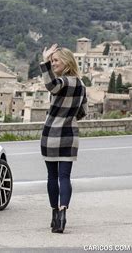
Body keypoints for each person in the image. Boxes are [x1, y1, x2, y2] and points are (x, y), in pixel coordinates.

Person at [40, 44, 88, 233]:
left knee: (52, 176)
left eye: (55, 60)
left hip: (51, 134)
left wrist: (44, 62)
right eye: (51, 61)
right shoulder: (81, 85)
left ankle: (54, 215)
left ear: (67, 62)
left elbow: (51, 87)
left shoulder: (62, 82)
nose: (53, 64)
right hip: (70, 135)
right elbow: (83, 112)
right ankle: (63, 212)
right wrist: (69, 116)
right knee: (65, 176)